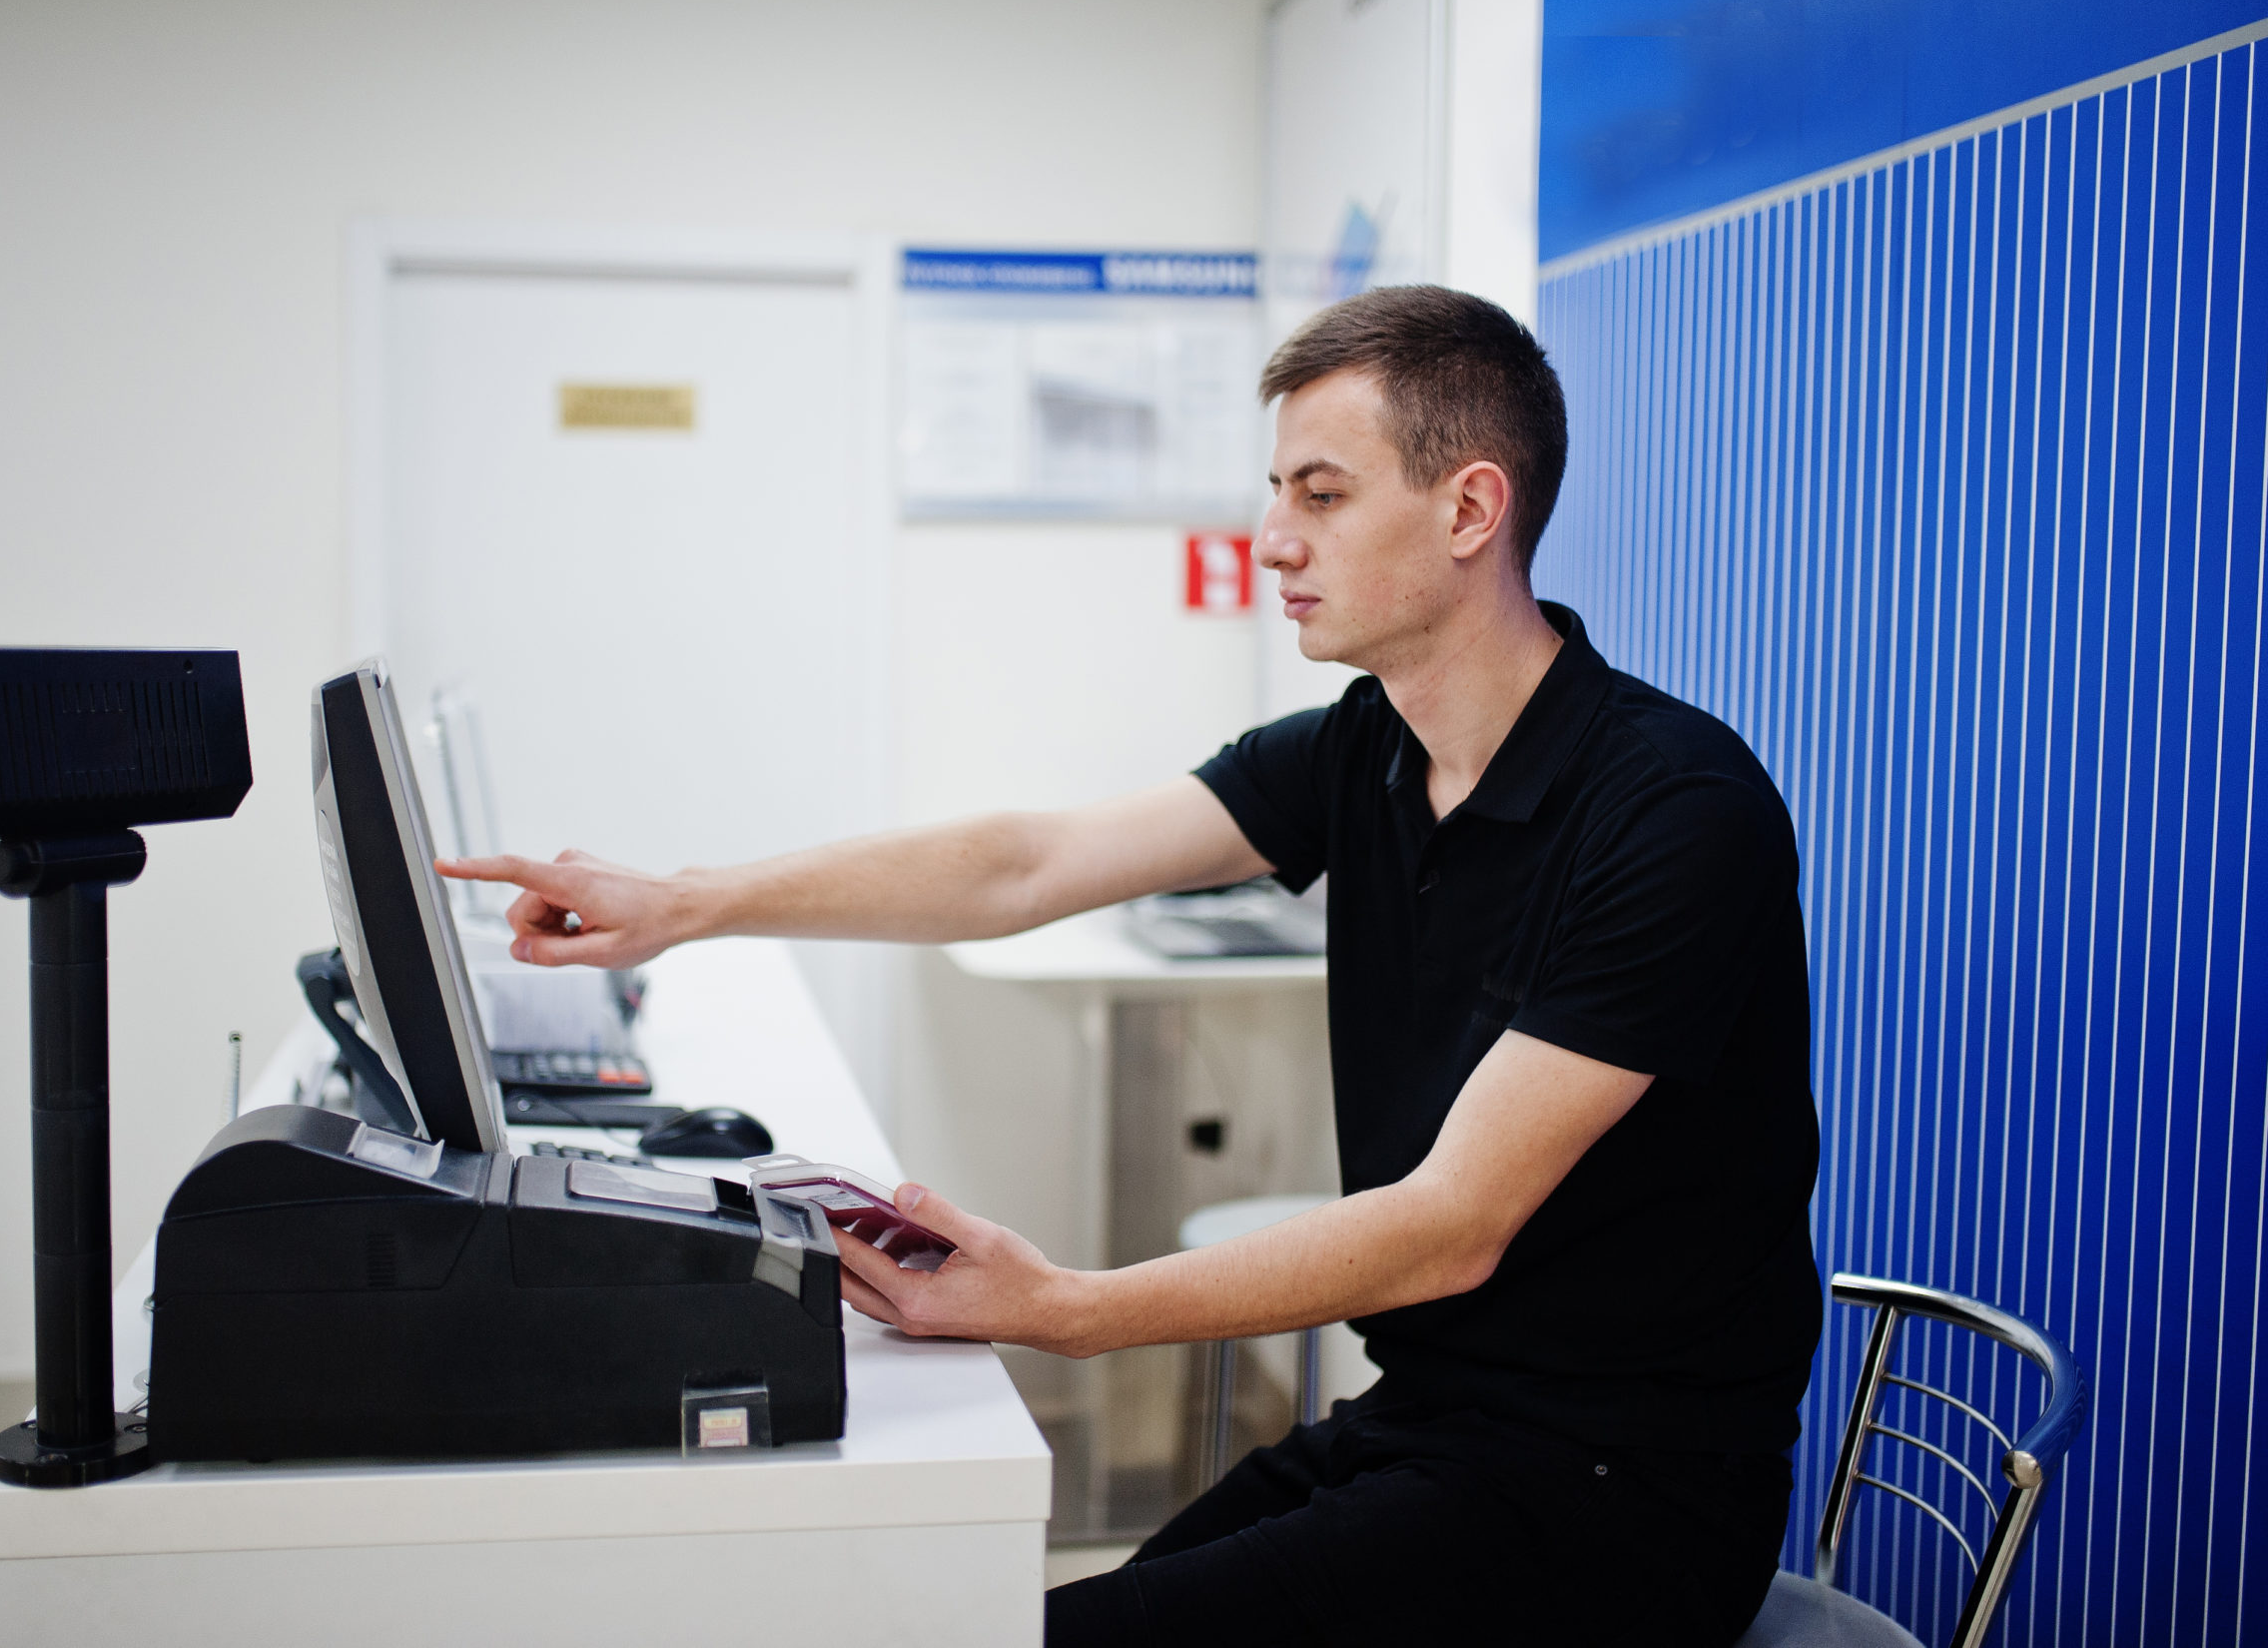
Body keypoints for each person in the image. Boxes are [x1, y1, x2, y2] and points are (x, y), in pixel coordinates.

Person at [439, 286, 1822, 1648]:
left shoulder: (1676, 811)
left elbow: (1451, 1226)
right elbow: (1027, 864)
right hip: (1430, 1426)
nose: (1273, 539)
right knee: (1031, 1619)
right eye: (1276, 490)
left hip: (1624, 1497)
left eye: (1322, 496)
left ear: (1469, 510)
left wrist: (1067, 1312)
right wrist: (686, 903)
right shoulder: (1369, 748)